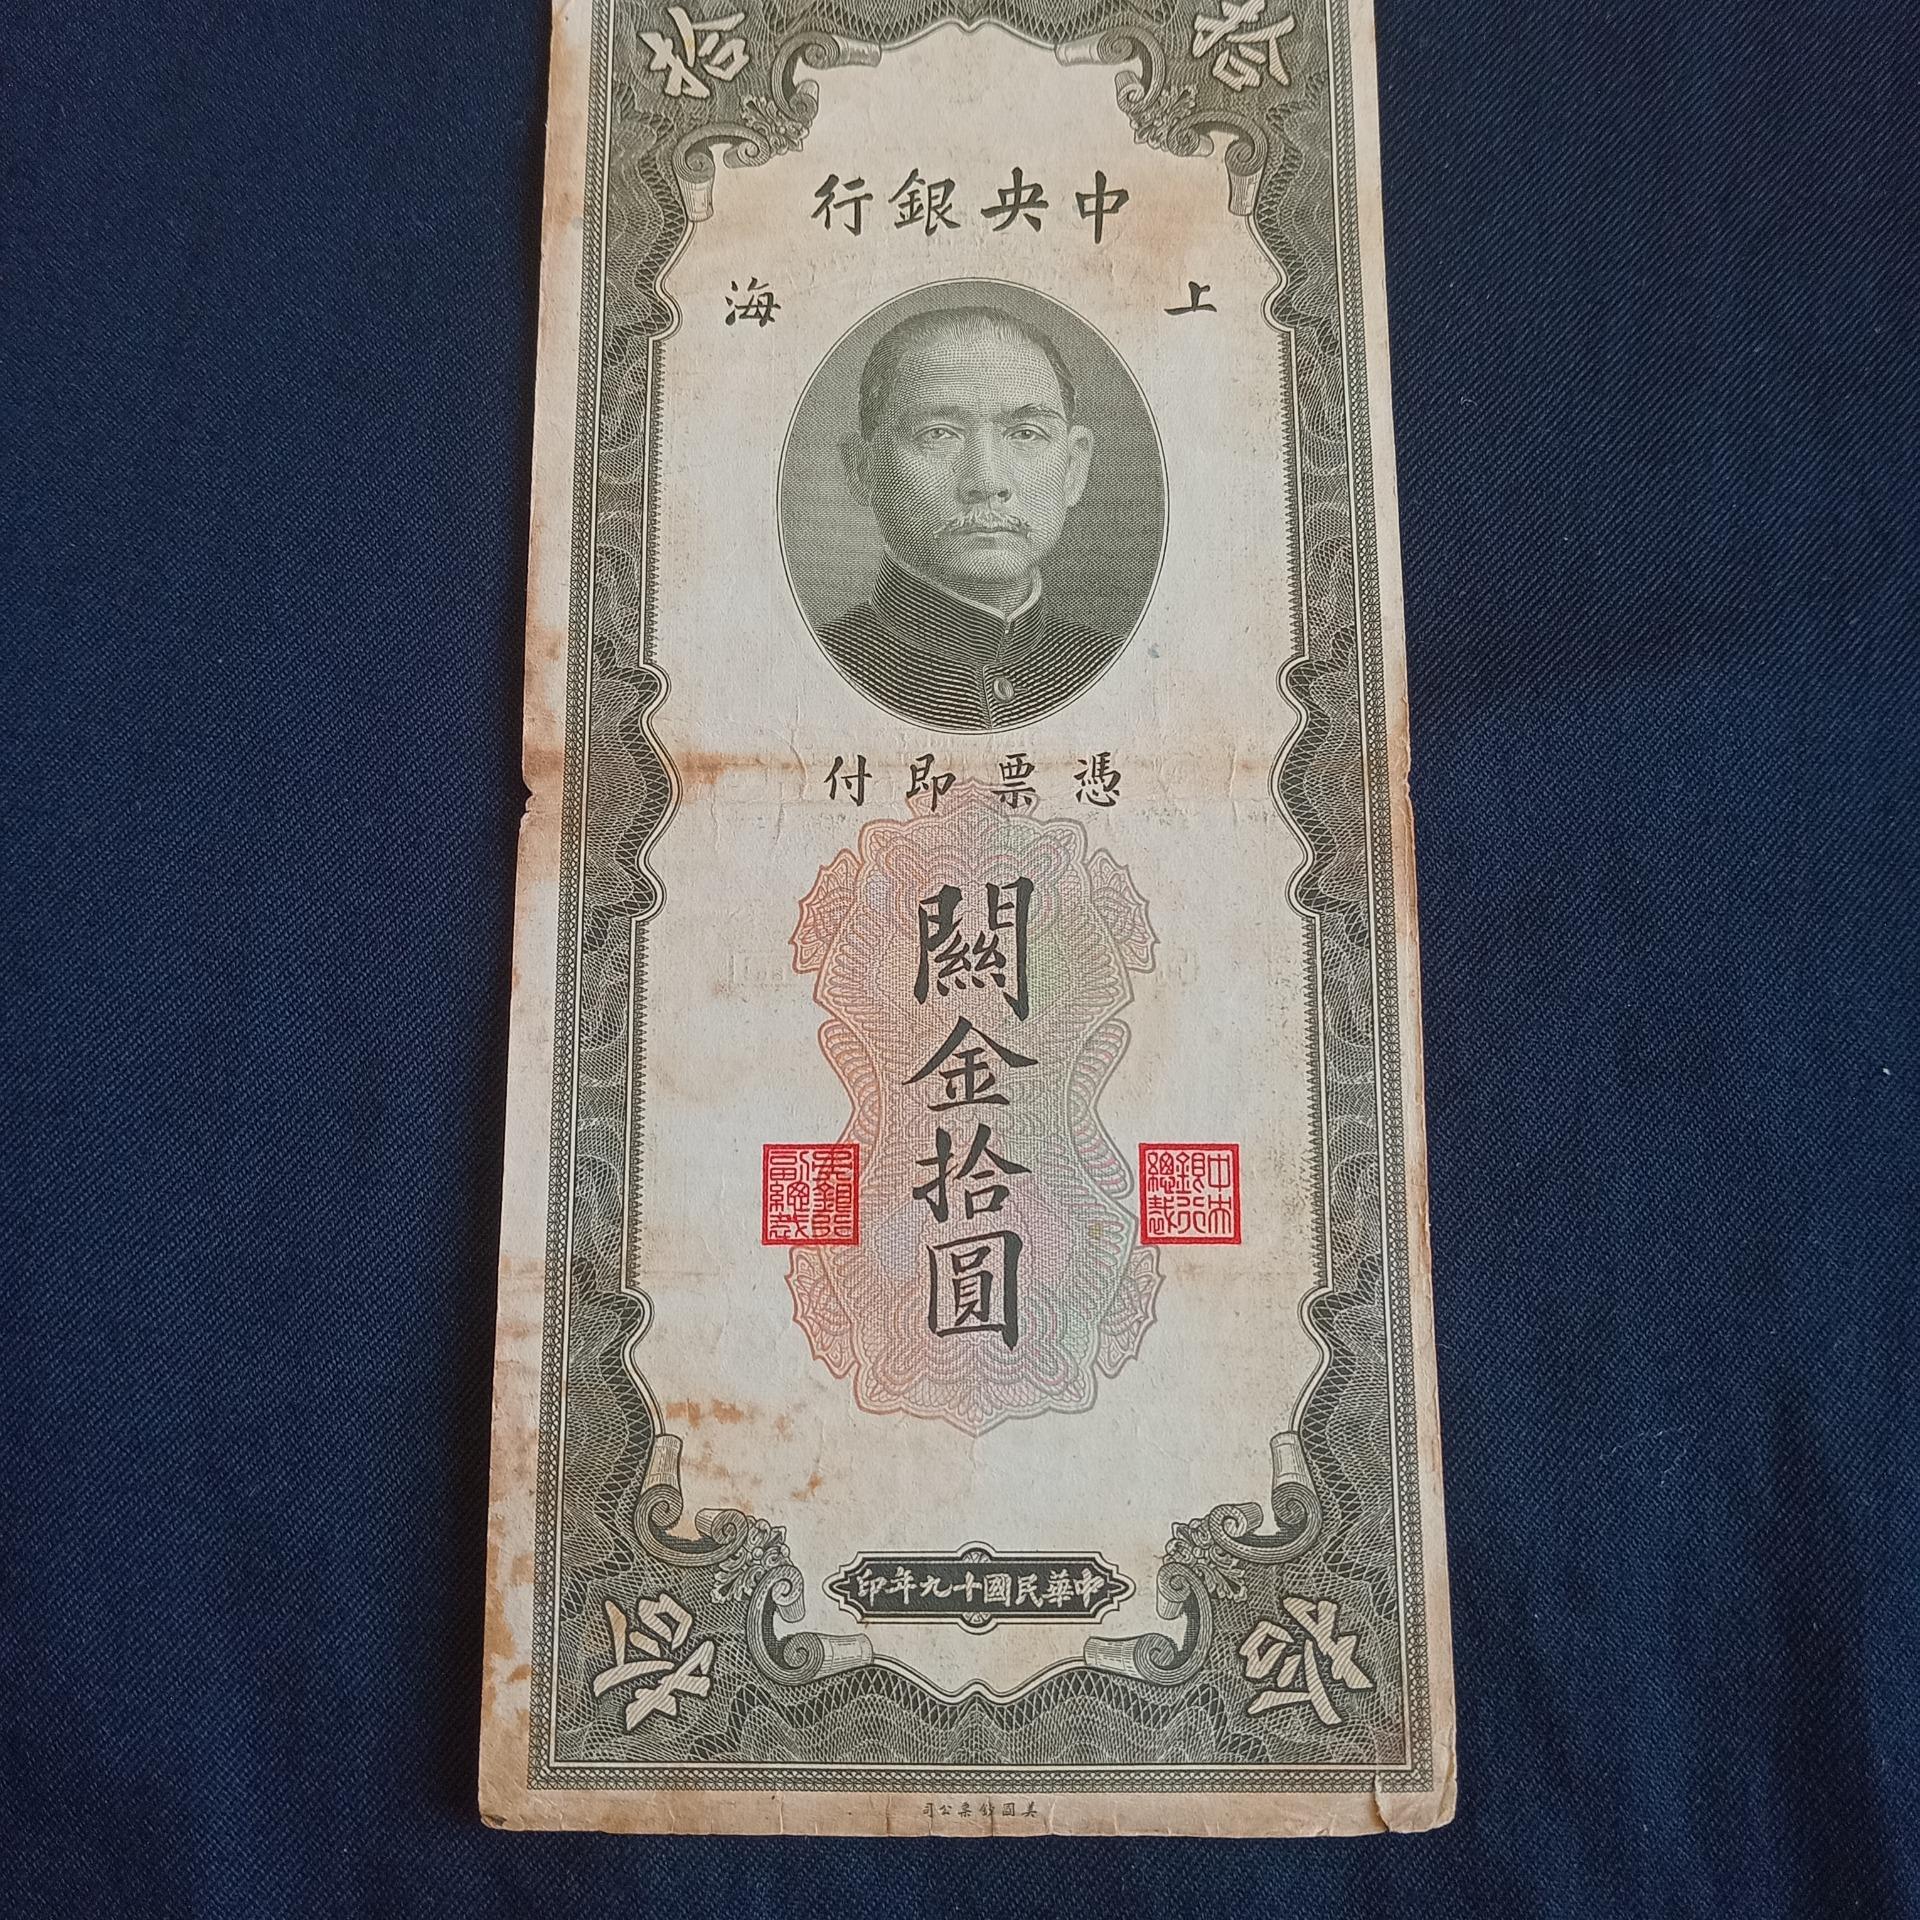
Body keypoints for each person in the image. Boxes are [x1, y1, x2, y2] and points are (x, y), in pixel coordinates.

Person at [818, 305, 1127, 732]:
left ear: (1074, 468)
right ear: (862, 470)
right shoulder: (815, 668)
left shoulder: (1118, 666)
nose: (987, 481)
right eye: (938, 433)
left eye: (1026, 433)